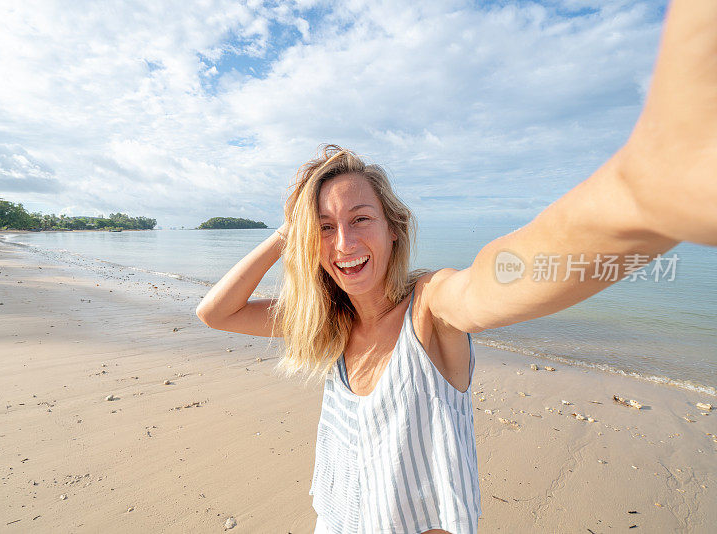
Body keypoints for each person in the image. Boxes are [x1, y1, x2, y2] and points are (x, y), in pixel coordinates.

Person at [195, 1, 716, 532]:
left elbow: (498, 280)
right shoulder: (327, 325)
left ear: (393, 227)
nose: (344, 241)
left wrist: (640, 194)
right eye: (325, 227)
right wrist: (289, 231)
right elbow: (215, 312)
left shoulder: (431, 310)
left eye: (360, 218)